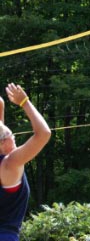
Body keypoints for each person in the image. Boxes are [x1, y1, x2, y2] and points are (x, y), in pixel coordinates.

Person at [0, 83, 51, 240]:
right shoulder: (10, 163)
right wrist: (24, 102)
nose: (14, 137)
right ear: (2, 143)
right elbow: (44, 133)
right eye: (11, 135)